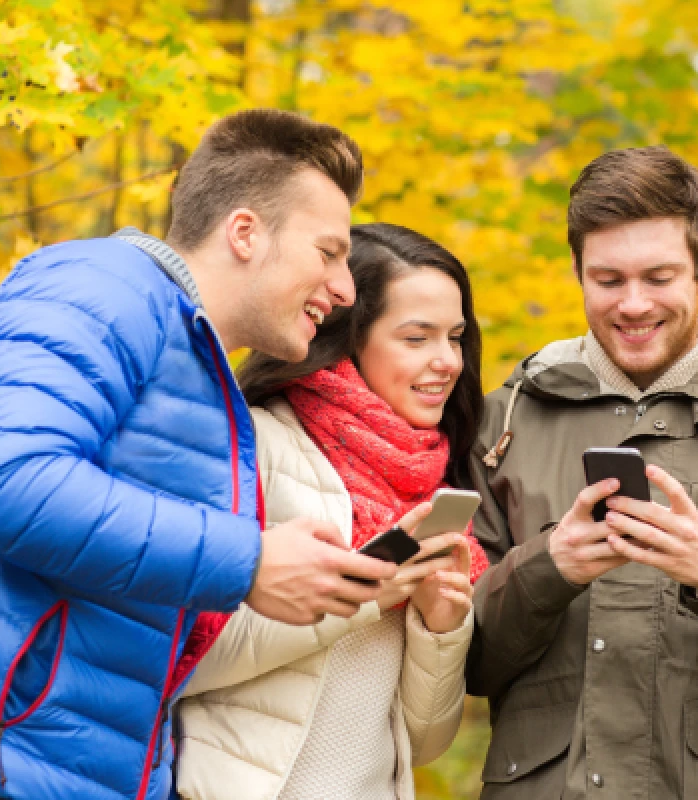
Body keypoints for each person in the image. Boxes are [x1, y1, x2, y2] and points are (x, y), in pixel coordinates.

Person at [0, 110, 401, 800]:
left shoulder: (199, 366)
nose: (346, 288)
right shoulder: (98, 284)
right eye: (328, 252)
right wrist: (251, 559)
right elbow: (6, 480)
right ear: (245, 233)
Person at [465, 146, 698, 799]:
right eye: (608, 280)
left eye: (659, 278)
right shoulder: (501, 424)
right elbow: (464, 662)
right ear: (575, 270)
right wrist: (552, 567)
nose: (632, 305)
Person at [175, 223, 491, 800]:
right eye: (417, 338)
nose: (447, 361)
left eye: (456, 337)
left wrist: (438, 629)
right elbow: (183, 659)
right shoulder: (252, 447)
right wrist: (365, 593)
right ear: (350, 338)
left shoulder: (430, 485)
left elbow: (422, 743)